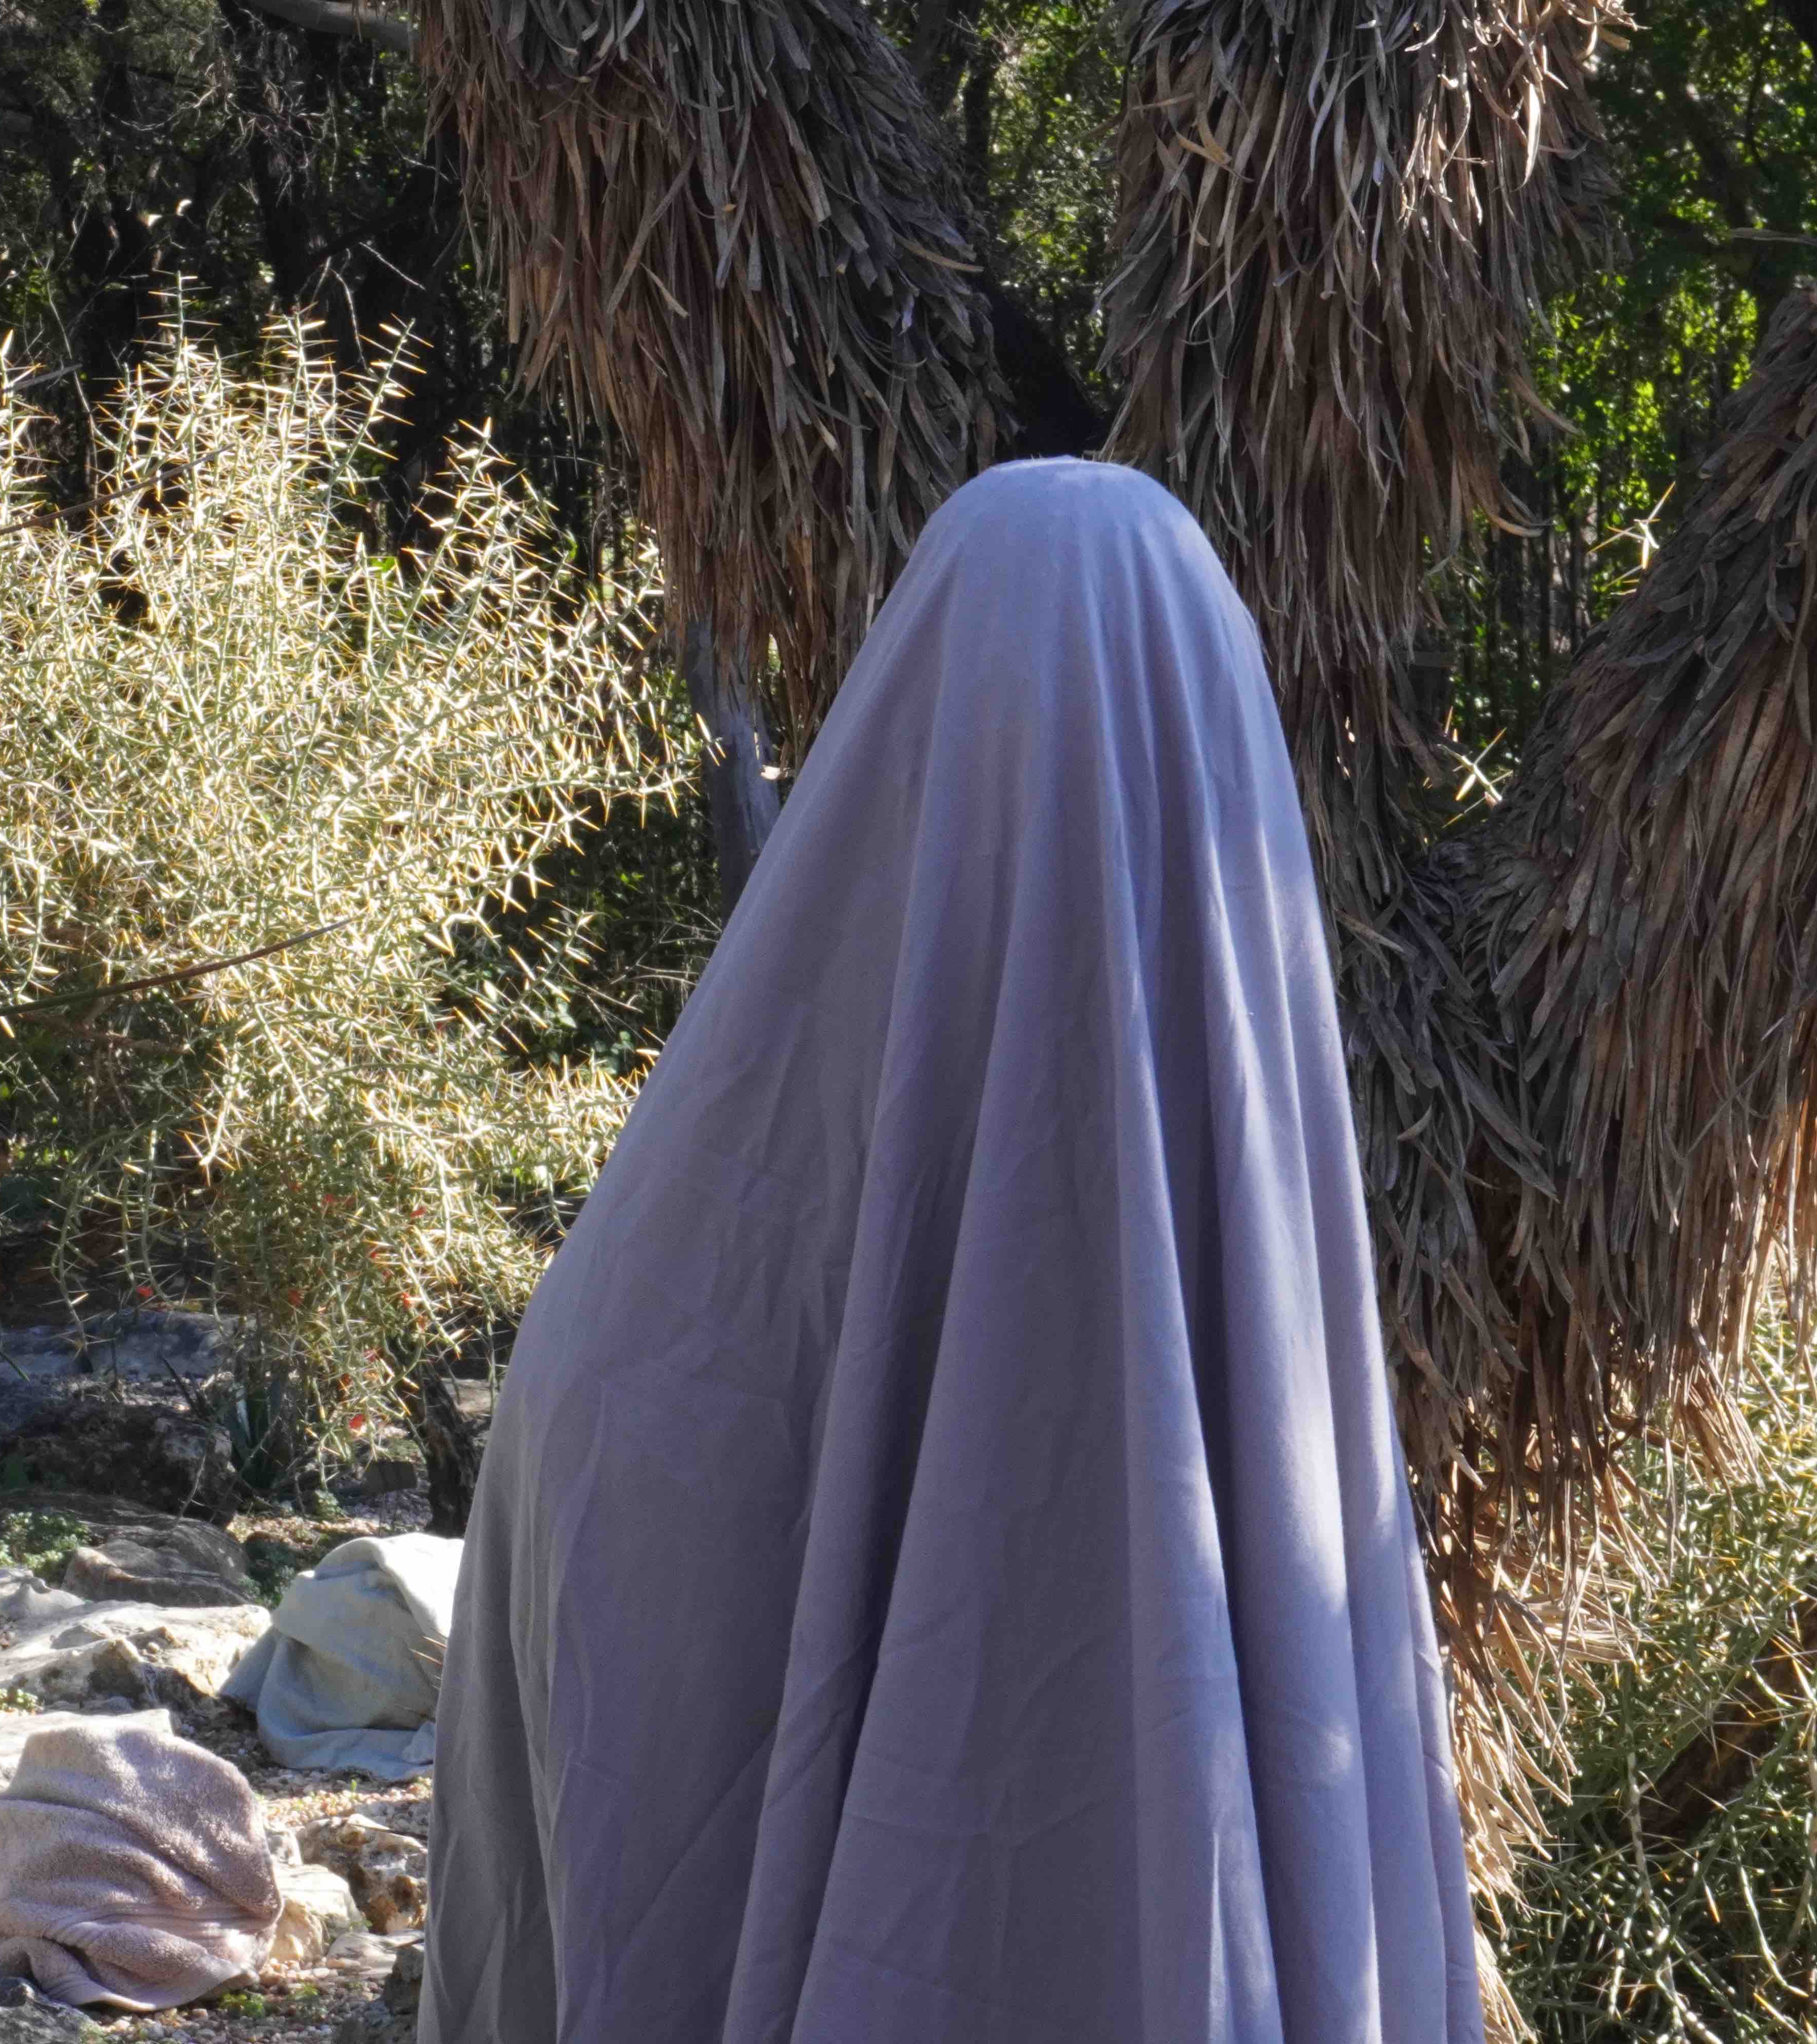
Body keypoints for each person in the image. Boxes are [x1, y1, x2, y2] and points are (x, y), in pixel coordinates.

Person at [418, 459, 1481, 2043]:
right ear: (1227, 778)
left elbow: (553, 1877)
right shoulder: (1276, 1349)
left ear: (904, 745)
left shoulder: (641, 1319)